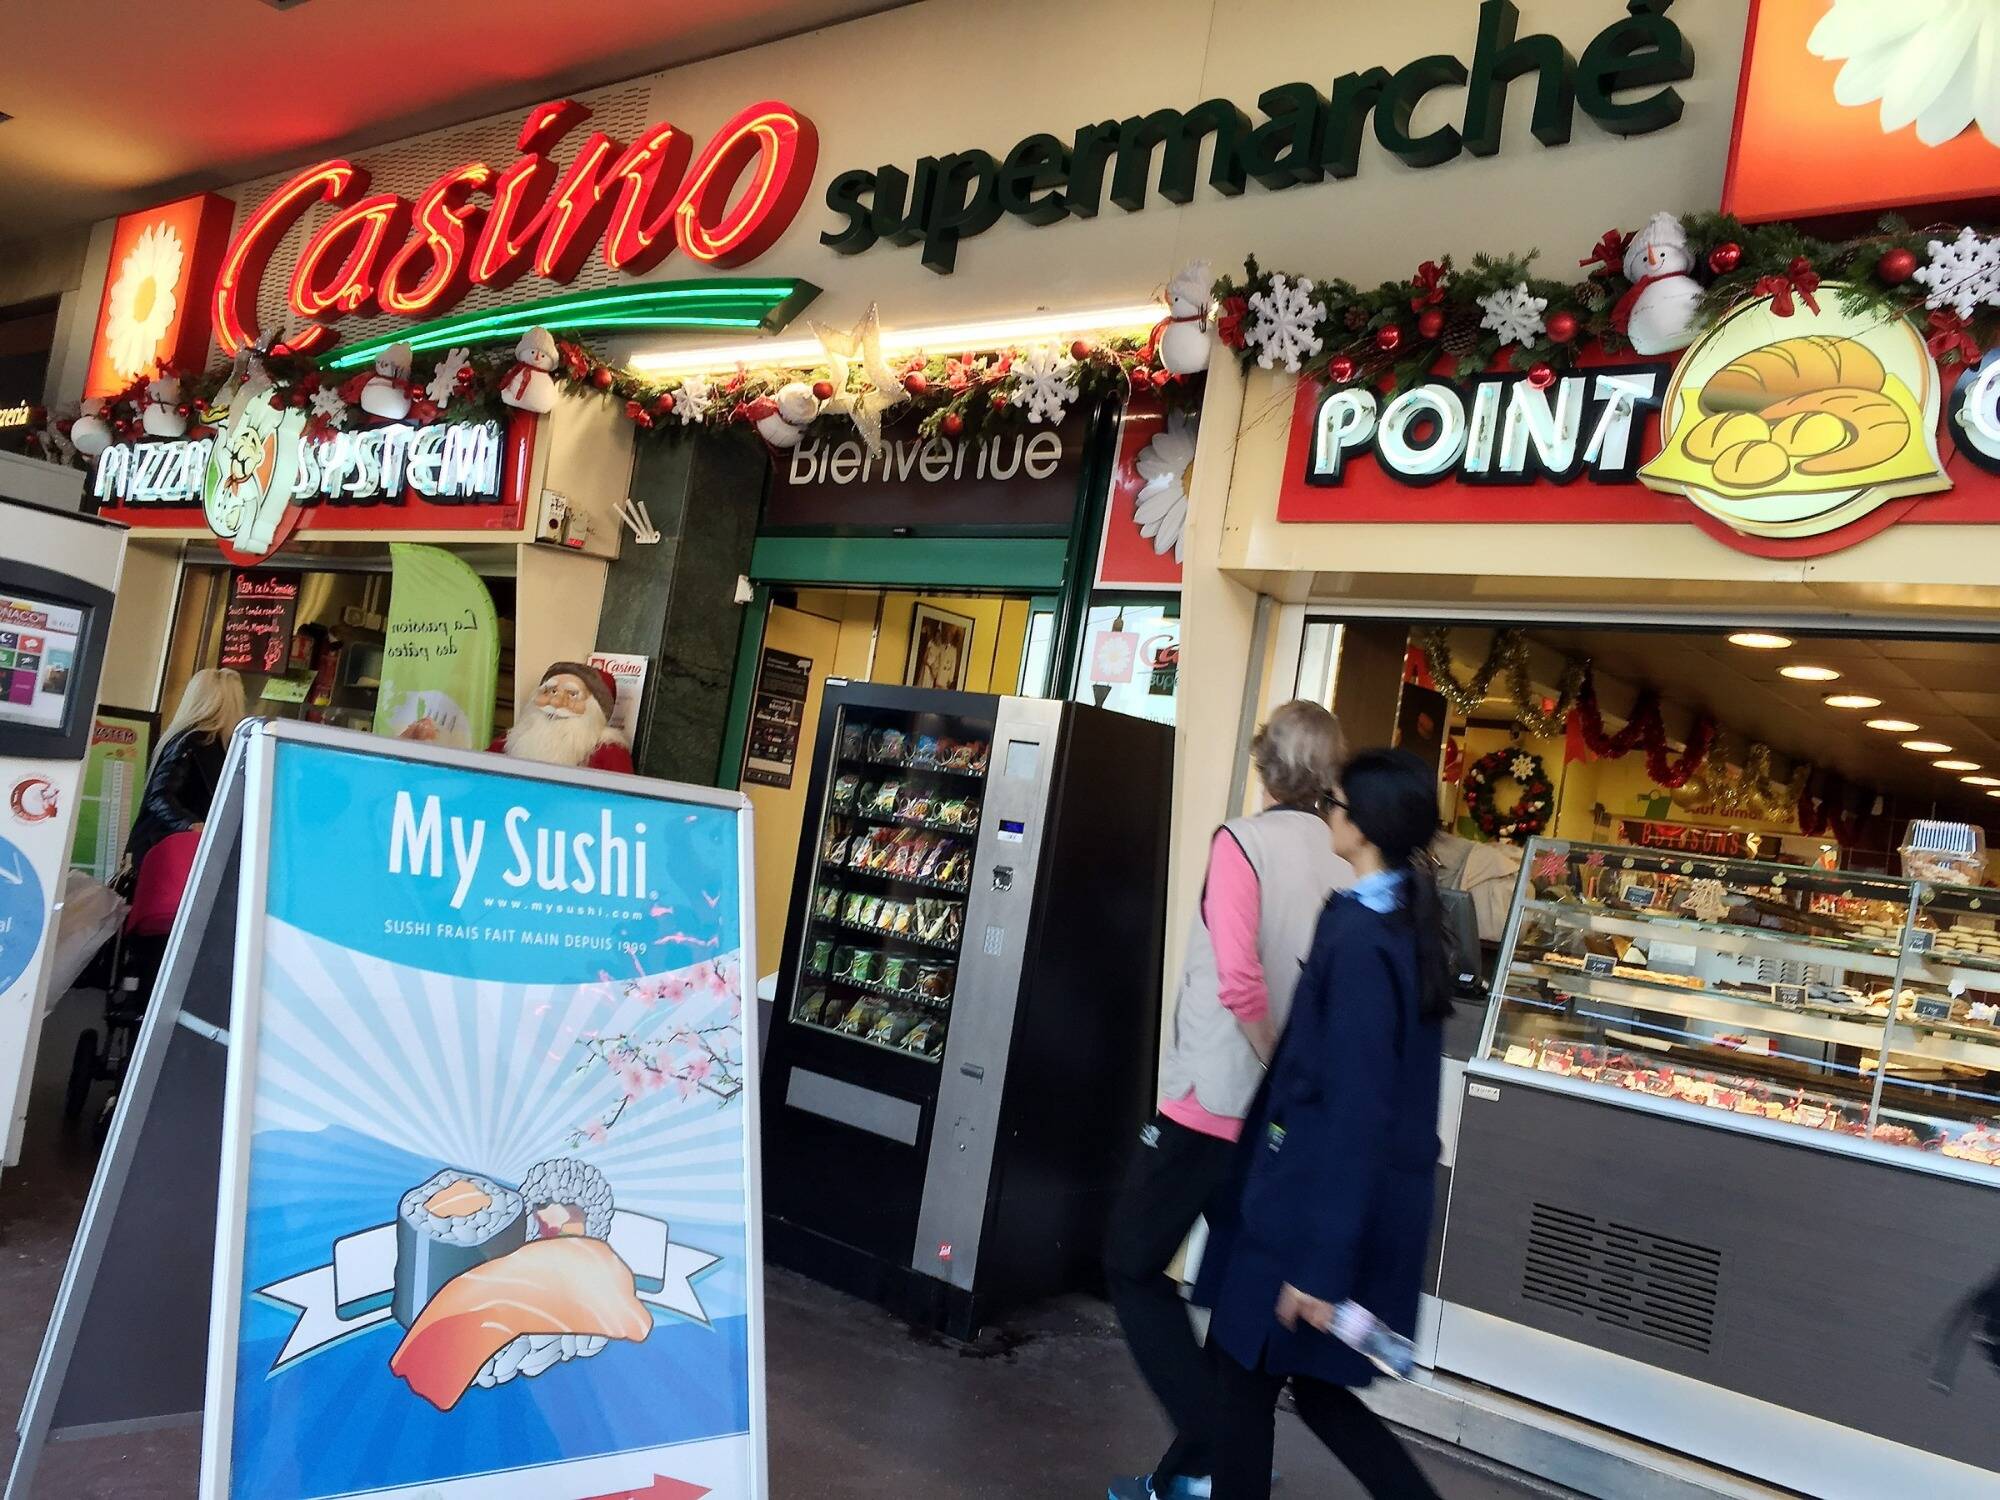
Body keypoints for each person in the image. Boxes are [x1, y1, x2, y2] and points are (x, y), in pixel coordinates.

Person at [1107, 700, 1351, 1500]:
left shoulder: (1239, 843)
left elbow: (1240, 978)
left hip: (1210, 1101)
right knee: (1243, 1302)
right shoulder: (1346, 860)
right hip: (1277, 1130)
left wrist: (1269, 1061)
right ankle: (1198, 1473)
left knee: (1132, 1263)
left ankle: (1211, 1437)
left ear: (1264, 765)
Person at [1197, 748, 1451, 1500]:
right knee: (1300, 1383)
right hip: (1308, 1199)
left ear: (1364, 823)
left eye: (1334, 802)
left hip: (1306, 1211)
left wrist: (1320, 1268)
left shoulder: (1371, 940)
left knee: (1246, 1373)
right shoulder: (1381, 917)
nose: (1326, 812)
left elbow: (1357, 1112)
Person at [123, 667, 247, 889]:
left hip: (159, 851)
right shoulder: (201, 742)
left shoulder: (185, 738)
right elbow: (160, 796)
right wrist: (194, 825)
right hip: (176, 856)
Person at [499, 661, 634, 772]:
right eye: (552, 691)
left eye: (573, 695)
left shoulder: (610, 751)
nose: (556, 702)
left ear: (595, 709)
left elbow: (623, 802)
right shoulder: (514, 738)